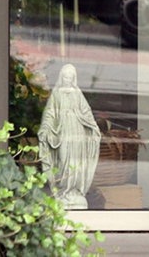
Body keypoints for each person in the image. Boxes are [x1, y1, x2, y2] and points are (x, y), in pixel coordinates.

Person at [38, 63, 101, 209]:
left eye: (70, 77)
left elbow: (86, 112)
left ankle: (74, 191)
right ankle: (62, 191)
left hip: (77, 131)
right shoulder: (57, 93)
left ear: (74, 78)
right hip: (63, 132)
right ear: (62, 77)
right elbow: (50, 113)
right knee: (64, 159)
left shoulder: (77, 93)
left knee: (76, 161)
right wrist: (46, 128)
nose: (67, 79)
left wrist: (93, 126)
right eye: (65, 76)